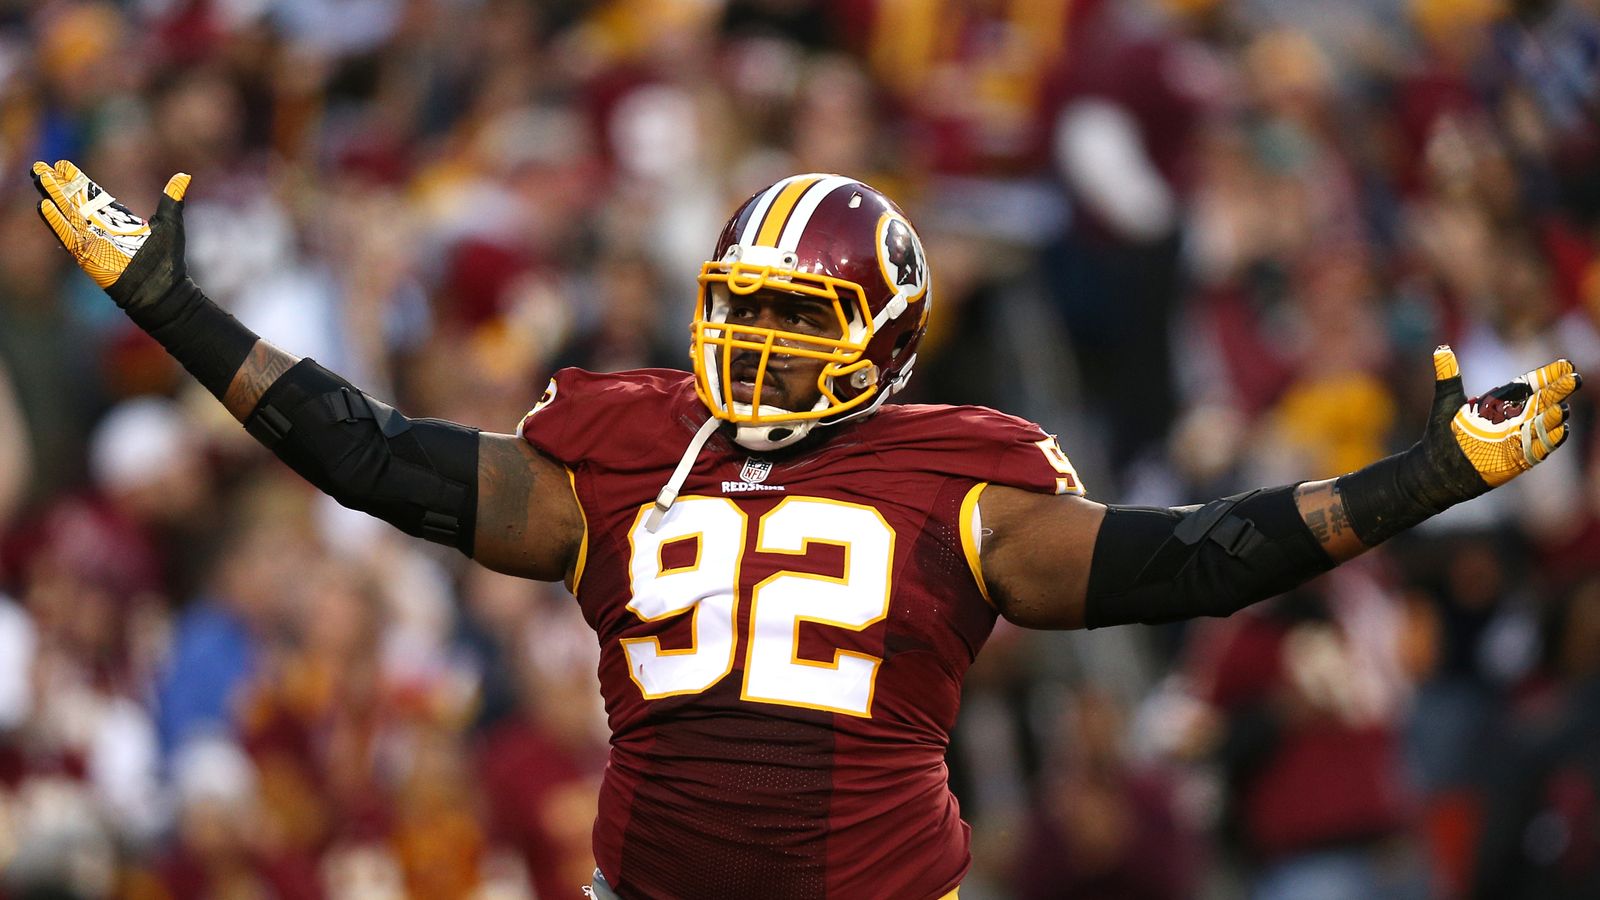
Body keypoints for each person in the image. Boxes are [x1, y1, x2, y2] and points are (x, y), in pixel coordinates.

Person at [29, 160, 1581, 899]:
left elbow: (1201, 556)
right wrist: (168, 301)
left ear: (891, 335)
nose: (759, 346)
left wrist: (1419, 481)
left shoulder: (961, 476)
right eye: (741, 313)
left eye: (798, 315)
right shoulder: (629, 448)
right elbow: (372, 456)